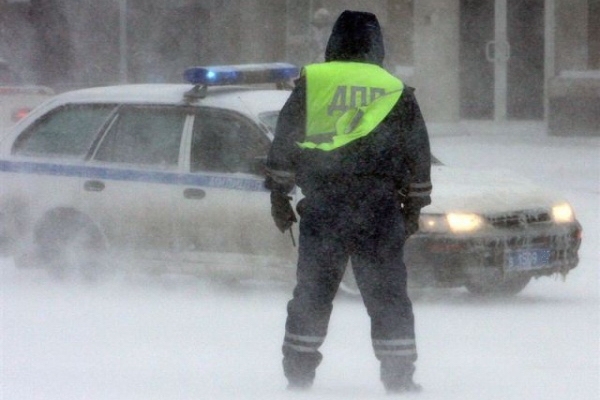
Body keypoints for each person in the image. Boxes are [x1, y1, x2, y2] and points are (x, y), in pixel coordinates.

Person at [265, 10, 432, 394]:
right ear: (377, 45)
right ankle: (399, 380)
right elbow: (417, 155)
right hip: (379, 208)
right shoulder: (394, 89)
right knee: (388, 297)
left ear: (334, 41)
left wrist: (279, 196)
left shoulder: (314, 82)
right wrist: (413, 209)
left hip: (325, 207)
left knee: (312, 294)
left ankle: (299, 378)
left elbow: (285, 141)